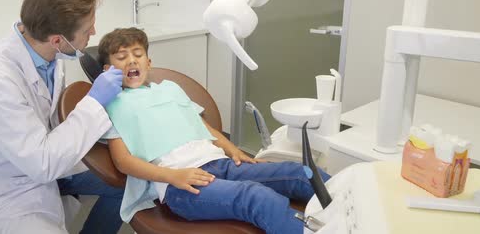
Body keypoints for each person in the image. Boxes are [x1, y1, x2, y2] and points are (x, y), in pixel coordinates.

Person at [97, 28, 331, 234]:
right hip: (182, 184)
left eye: (138, 55)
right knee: (257, 197)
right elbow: (123, 161)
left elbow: (201, 125)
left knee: (300, 173)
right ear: (108, 70)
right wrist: (173, 176)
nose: (132, 61)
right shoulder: (115, 105)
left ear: (149, 62)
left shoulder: (169, 90)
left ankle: (356, 209)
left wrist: (232, 149)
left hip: (221, 164)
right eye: (121, 57)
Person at [0, 0, 126, 234]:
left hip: (53, 160)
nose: (94, 31)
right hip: (7, 185)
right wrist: (94, 102)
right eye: (88, 28)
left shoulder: (48, 54)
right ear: (57, 40)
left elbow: (53, 121)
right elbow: (42, 163)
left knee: (131, 185)